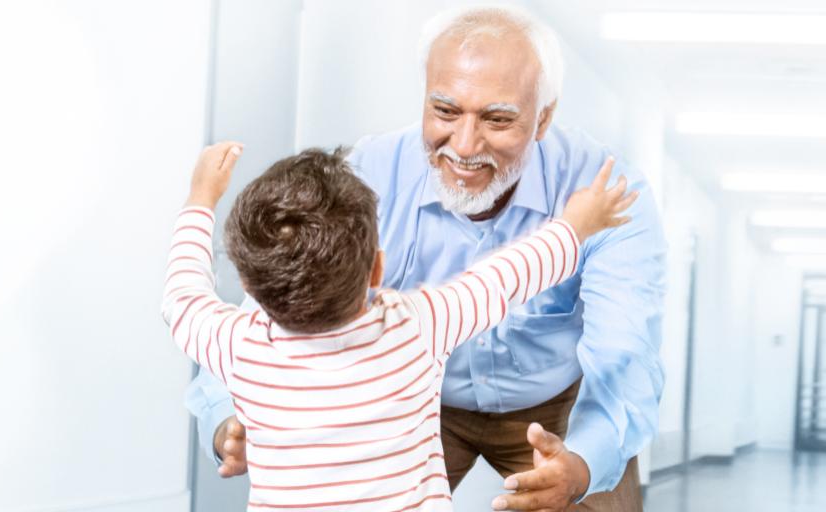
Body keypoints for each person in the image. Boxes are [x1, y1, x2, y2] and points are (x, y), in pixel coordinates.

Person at [186, 6, 666, 510]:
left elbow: (624, 357)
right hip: (409, 395)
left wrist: (582, 466)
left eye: (497, 119)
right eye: (445, 111)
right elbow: (275, 300)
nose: (463, 145)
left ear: (543, 117)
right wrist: (226, 416)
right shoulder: (367, 172)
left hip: (554, 404)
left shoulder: (609, 192)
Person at [164, 142, 634, 510]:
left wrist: (200, 197)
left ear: (248, 284)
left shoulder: (239, 346)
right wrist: (576, 225)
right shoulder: (415, 328)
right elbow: (507, 277)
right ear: (377, 269)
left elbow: (182, 295)